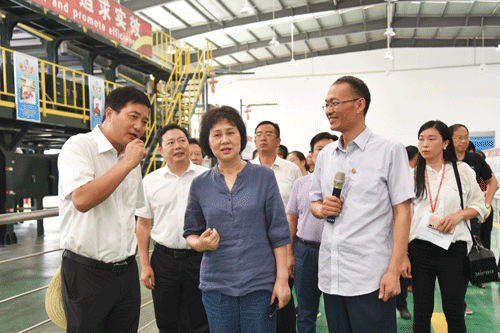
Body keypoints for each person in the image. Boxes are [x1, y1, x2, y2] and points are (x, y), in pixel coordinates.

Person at [309, 76, 414, 333]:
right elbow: (314, 202)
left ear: (359, 104)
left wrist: (393, 271)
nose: (329, 111)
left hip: (371, 277)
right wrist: (323, 209)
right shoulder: (325, 155)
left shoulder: (389, 150)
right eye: (326, 104)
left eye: (335, 103)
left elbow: (402, 212)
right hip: (332, 275)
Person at [183, 106, 291, 332]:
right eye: (217, 134)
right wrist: (199, 243)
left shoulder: (264, 176)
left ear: (241, 137)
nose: (225, 140)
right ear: (208, 142)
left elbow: (279, 232)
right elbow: (190, 232)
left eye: (231, 132)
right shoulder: (200, 184)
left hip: (259, 284)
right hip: (216, 285)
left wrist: (281, 280)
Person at [58, 86, 151, 332]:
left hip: (126, 272)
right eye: (133, 116)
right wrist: (128, 163)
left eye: (144, 121)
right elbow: (81, 199)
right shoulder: (79, 146)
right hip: (87, 273)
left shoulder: (130, 156)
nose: (140, 127)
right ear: (109, 114)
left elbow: (136, 211)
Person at [402, 120, 486, 333]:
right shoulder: (411, 175)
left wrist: (458, 215)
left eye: (431, 139)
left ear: (445, 143)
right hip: (420, 249)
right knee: (422, 311)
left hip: (454, 249)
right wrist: (403, 254)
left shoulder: (462, 170)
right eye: (421, 139)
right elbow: (404, 218)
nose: (425, 144)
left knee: (454, 311)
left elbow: (478, 204)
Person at [135, 124, 209, 333]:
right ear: (161, 151)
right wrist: (145, 265)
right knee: (167, 322)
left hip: (200, 259)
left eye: (182, 140)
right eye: (170, 142)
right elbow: (143, 225)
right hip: (164, 261)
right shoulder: (150, 182)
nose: (177, 146)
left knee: (201, 321)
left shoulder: (207, 178)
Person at [252, 120, 302, 333]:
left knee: (283, 298)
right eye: (259, 134)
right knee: (257, 298)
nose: (263, 138)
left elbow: (299, 208)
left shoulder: (291, 170)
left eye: (268, 134)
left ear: (278, 141)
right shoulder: (245, 170)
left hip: (284, 243)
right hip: (254, 245)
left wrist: (291, 249)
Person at [287, 132, 336, 333]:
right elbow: (292, 218)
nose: (325, 153)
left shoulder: (346, 183)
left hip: (335, 252)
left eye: (330, 149)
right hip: (305, 252)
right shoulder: (301, 184)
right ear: (311, 156)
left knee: (337, 311)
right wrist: (290, 254)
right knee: (306, 312)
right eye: (319, 149)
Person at [449, 124, 498, 294]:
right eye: (459, 137)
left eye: (466, 137)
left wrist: (485, 206)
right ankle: (458, 300)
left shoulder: (475, 159)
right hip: (450, 216)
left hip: (471, 215)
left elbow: (493, 182)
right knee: (452, 258)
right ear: (448, 139)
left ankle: (472, 283)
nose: (464, 141)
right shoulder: (443, 159)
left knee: (470, 253)